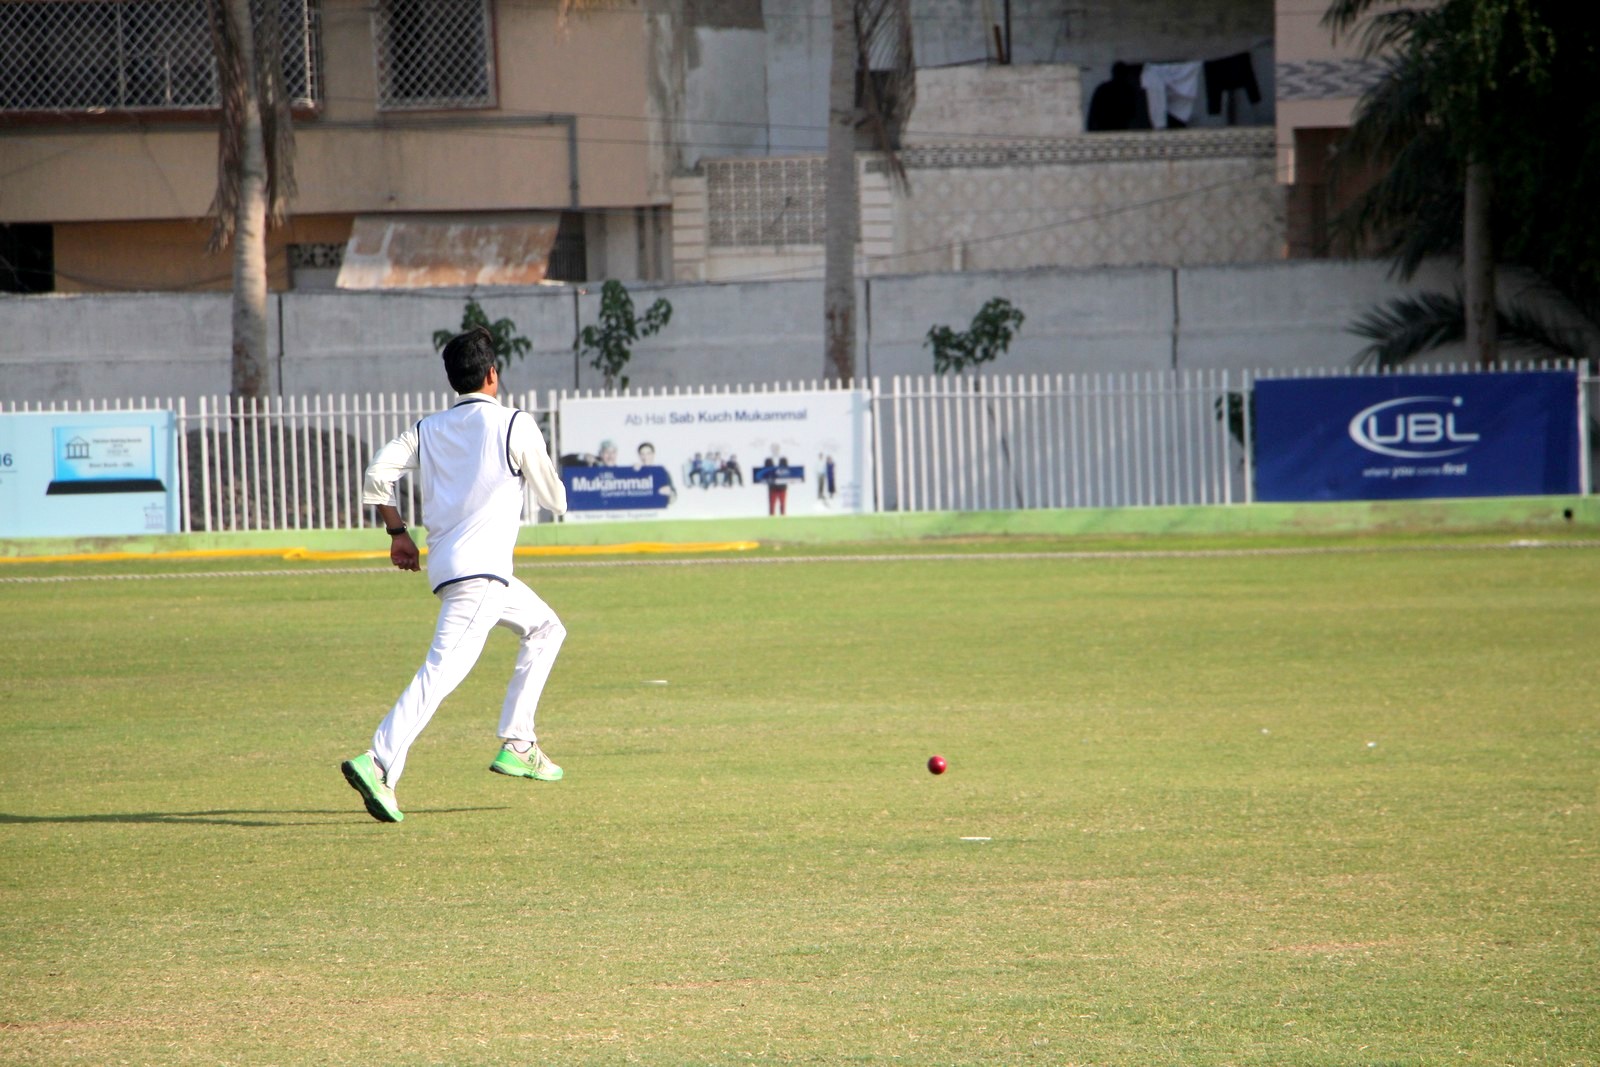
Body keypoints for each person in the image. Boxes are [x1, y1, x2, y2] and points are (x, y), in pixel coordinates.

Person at [340, 326, 569, 824]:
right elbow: (555, 499)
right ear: (493, 374)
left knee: (546, 627)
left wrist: (397, 533)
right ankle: (378, 762)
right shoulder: (514, 423)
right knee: (439, 673)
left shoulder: (427, 429)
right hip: (481, 576)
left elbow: (378, 473)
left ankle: (520, 742)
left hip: (456, 571)